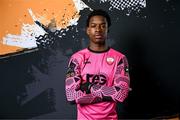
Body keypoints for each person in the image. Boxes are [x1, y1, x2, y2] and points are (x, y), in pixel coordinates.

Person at [65, 9, 130, 120]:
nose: (98, 30)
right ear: (88, 30)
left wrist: (89, 87)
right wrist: (110, 93)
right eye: (94, 26)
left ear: (107, 29)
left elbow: (121, 94)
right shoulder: (77, 58)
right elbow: (71, 96)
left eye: (102, 26)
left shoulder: (120, 58)